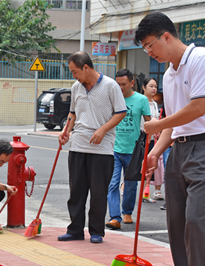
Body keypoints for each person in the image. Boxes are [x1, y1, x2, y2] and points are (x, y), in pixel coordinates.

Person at [136, 12, 205, 266]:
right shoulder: (169, 75)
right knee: (176, 221)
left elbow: (198, 108)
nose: (149, 52)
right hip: (180, 149)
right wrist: (156, 151)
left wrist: (157, 125)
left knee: (196, 219)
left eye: (149, 45)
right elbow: (174, 124)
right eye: (145, 48)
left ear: (166, 36)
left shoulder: (202, 59)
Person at [57, 52, 126, 243]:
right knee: (76, 191)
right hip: (78, 145)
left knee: (98, 193)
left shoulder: (110, 86)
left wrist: (103, 130)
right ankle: (75, 230)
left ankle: (96, 231)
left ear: (86, 67)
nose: (73, 76)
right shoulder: (76, 87)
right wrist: (66, 131)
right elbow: (73, 113)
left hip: (102, 149)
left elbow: (120, 112)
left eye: (74, 71)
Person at [105, 69, 151, 230]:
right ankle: (114, 217)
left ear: (132, 83)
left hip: (133, 151)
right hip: (113, 148)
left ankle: (127, 212)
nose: (120, 87)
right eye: (117, 84)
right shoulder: (111, 99)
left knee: (131, 184)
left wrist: (148, 148)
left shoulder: (142, 100)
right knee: (112, 183)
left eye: (123, 84)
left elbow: (149, 124)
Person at [141, 77, 163, 202]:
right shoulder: (141, 101)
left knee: (151, 167)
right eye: (151, 86)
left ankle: (146, 193)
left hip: (154, 138)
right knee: (141, 166)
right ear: (144, 87)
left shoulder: (154, 104)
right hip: (143, 137)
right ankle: (124, 187)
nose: (154, 89)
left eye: (155, 86)